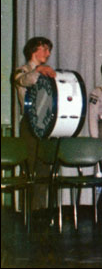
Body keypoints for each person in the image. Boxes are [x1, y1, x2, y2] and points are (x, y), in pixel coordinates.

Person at [12, 37, 56, 211]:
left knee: (45, 167)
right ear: (33, 50)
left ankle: (41, 209)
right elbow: (24, 81)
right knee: (29, 166)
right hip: (30, 123)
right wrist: (38, 69)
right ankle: (28, 211)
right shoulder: (21, 70)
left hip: (45, 124)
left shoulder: (47, 71)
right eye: (44, 49)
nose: (48, 53)